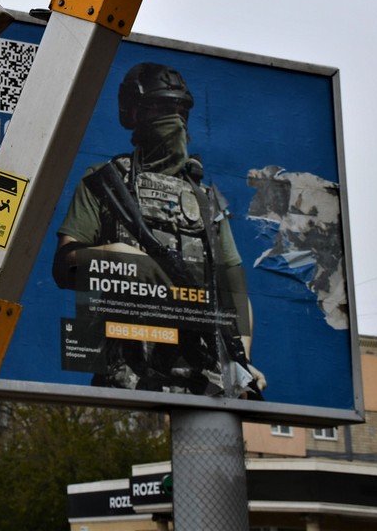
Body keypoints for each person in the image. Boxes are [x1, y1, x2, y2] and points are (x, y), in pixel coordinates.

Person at [52, 62, 267, 398]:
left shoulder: (206, 200)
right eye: (163, 107)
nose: (175, 118)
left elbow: (233, 288)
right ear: (133, 112)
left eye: (181, 109)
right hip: (126, 383)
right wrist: (116, 258)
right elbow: (65, 267)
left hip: (202, 387)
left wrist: (240, 362)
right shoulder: (105, 181)